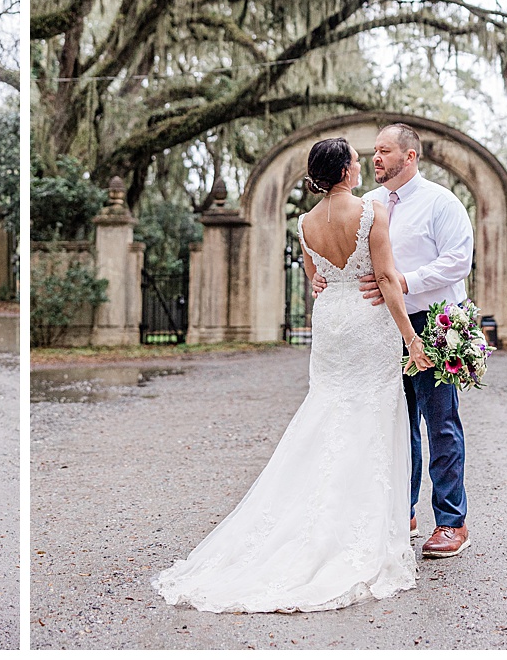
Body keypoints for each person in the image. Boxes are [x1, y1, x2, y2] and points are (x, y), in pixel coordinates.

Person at [153, 137, 428, 614]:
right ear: (344, 170)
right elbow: (384, 280)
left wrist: (324, 281)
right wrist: (412, 338)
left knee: (328, 411)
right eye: (358, 160)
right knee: (371, 419)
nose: (363, 165)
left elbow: (314, 276)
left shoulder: (304, 223)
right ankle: (357, 530)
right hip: (367, 321)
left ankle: (316, 515)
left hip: (332, 321)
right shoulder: (370, 212)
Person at [349, 122, 476, 560]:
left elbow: (459, 261)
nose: (375, 159)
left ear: (410, 156)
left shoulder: (442, 202)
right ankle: (401, 512)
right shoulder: (368, 203)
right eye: (373, 152)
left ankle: (451, 523)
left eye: (384, 151)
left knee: (440, 423)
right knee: (395, 422)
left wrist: (405, 281)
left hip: (433, 325)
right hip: (383, 326)